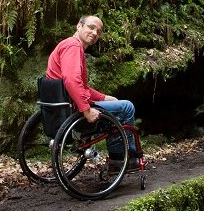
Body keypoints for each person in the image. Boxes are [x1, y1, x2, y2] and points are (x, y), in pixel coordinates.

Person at [46, 15, 141, 170]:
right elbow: (71, 80)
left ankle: (119, 157)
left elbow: (81, 86)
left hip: (64, 104)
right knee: (127, 107)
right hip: (74, 108)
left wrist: (104, 97)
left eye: (99, 31)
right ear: (79, 26)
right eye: (91, 27)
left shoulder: (68, 45)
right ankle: (120, 160)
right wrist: (86, 110)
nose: (95, 33)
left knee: (116, 103)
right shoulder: (74, 46)